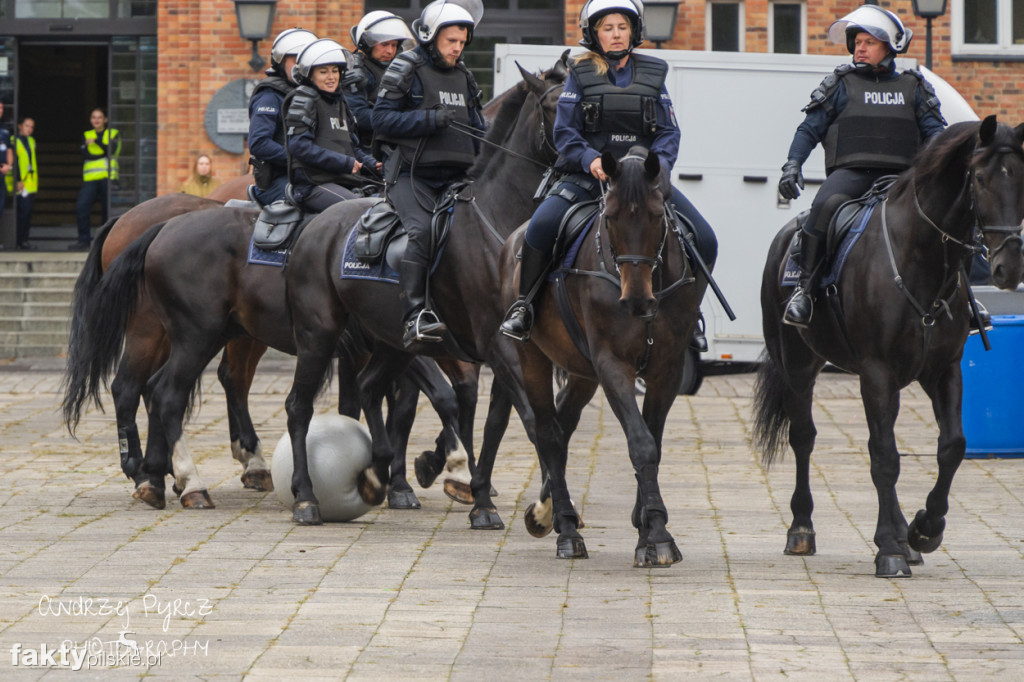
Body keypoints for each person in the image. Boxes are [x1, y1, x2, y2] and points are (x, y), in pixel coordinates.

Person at [499, 0, 718, 345]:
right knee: (539, 228)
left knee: (705, 239)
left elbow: (668, 133)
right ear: (593, 34)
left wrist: (658, 167)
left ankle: (690, 316)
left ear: (633, 31)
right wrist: (591, 159)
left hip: (643, 183)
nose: (616, 35)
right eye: (607, 28)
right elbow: (565, 134)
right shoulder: (579, 75)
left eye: (622, 27)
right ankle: (524, 308)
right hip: (588, 178)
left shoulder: (654, 75)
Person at [776, 5, 945, 328]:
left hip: (903, 179)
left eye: (869, 42)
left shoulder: (916, 88)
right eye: (857, 42)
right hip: (851, 175)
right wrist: (792, 165)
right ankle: (804, 292)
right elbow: (809, 129)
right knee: (823, 206)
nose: (860, 48)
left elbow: (937, 134)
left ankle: (963, 297)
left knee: (943, 219)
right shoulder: (840, 83)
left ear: (890, 46)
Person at [373, 0, 486, 348]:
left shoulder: (464, 75)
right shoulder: (406, 66)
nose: (457, 48)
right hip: (411, 177)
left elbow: (478, 127)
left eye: (462, 42)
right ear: (429, 36)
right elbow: (380, 120)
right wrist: (428, 120)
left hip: (457, 178)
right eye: (451, 40)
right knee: (421, 232)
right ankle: (414, 316)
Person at [284, 39, 378, 212]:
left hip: (344, 181)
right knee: (362, 210)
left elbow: (351, 148)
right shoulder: (305, 99)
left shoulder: (340, 102)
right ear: (310, 75)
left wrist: (372, 163)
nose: (331, 77)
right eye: (323, 72)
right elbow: (299, 146)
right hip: (313, 185)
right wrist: (343, 162)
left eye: (335, 71)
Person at [248, 27, 318, 207]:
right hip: (281, 178)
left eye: (306, 60)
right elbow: (259, 142)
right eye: (295, 59)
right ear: (280, 61)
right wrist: (301, 159)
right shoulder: (270, 95)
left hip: (317, 173)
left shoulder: (318, 95)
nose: (300, 66)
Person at [344, 11, 416, 147]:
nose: (390, 51)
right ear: (367, 43)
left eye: (394, 45)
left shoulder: (401, 69)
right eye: (384, 44)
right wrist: (399, 120)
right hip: (367, 148)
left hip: (398, 144)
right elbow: (357, 115)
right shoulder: (357, 71)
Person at [71, 108, 120, 250]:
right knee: (82, 207)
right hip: (91, 178)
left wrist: (96, 142)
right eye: (93, 117)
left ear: (105, 119)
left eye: (99, 117)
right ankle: (83, 240)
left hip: (108, 177)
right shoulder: (86, 134)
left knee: (108, 211)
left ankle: (107, 242)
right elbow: (85, 155)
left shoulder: (113, 133)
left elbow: (112, 150)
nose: (96, 120)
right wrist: (102, 150)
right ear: (90, 120)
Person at [11, 117, 38, 251]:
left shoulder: (31, 141)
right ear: (20, 126)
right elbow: (14, 162)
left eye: (32, 127)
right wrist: (17, 180)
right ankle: (19, 241)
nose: (30, 129)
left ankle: (24, 240)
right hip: (20, 184)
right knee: (21, 214)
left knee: (27, 214)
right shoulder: (14, 141)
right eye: (27, 126)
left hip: (30, 184)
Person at [0, 102, 13, 251]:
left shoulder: (5, 130)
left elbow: (9, 149)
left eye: (2, 107)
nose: (0, 110)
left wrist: (8, 165)